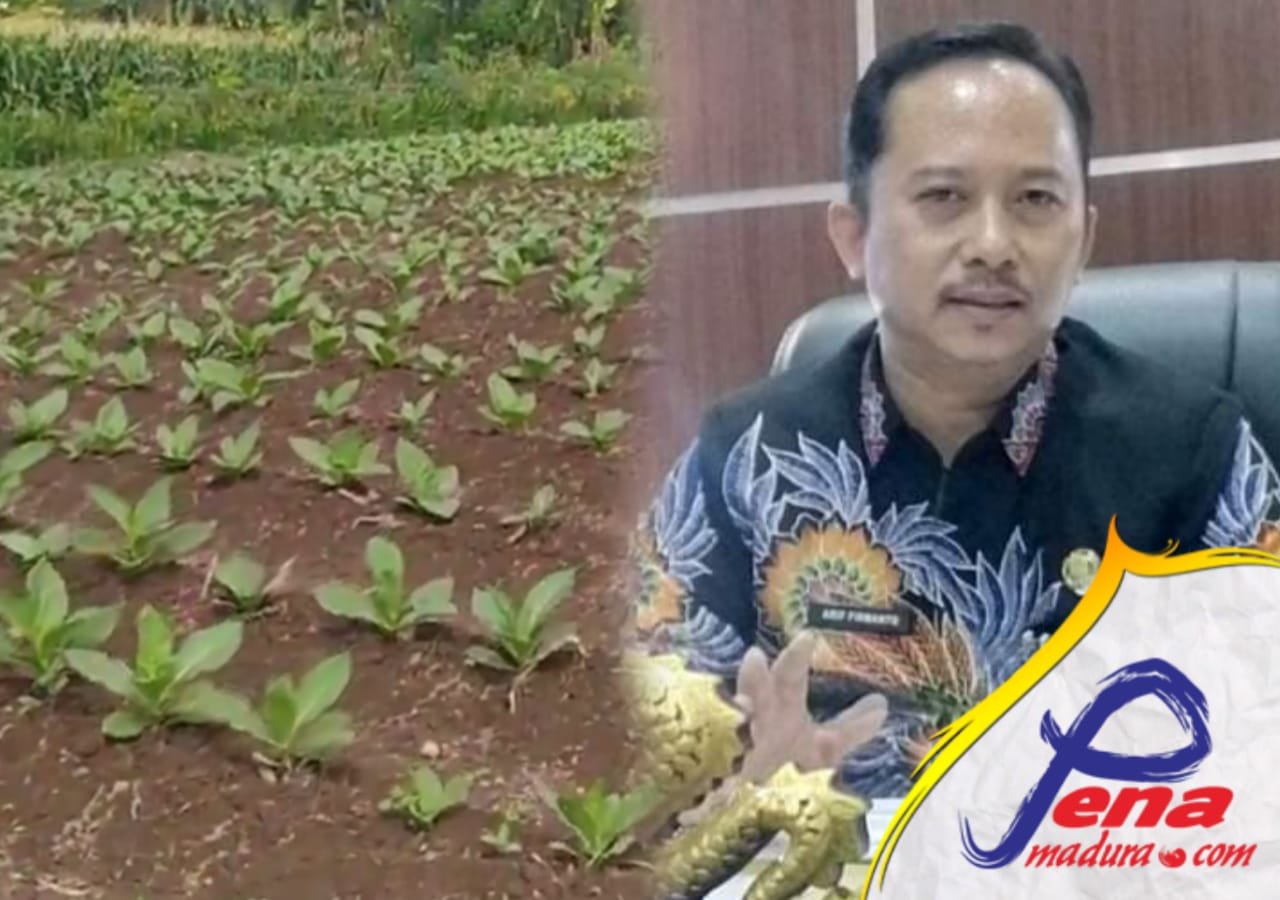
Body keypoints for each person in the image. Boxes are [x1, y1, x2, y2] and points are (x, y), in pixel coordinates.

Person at [627, 21, 1280, 800]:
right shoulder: (743, 459)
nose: (993, 244)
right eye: (944, 198)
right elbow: (640, 736)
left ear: (1083, 239)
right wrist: (739, 789)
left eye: (1035, 200)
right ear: (854, 237)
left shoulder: (1193, 452)